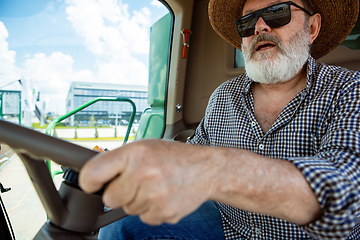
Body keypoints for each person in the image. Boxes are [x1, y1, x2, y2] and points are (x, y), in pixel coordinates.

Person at [79, 0, 360, 238]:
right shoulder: (224, 96)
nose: (260, 27)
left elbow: (345, 192)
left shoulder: (350, 89)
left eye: (277, 13)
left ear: (312, 28)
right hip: (230, 227)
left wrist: (211, 171)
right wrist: (127, 162)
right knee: (121, 225)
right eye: (247, 23)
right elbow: (194, 150)